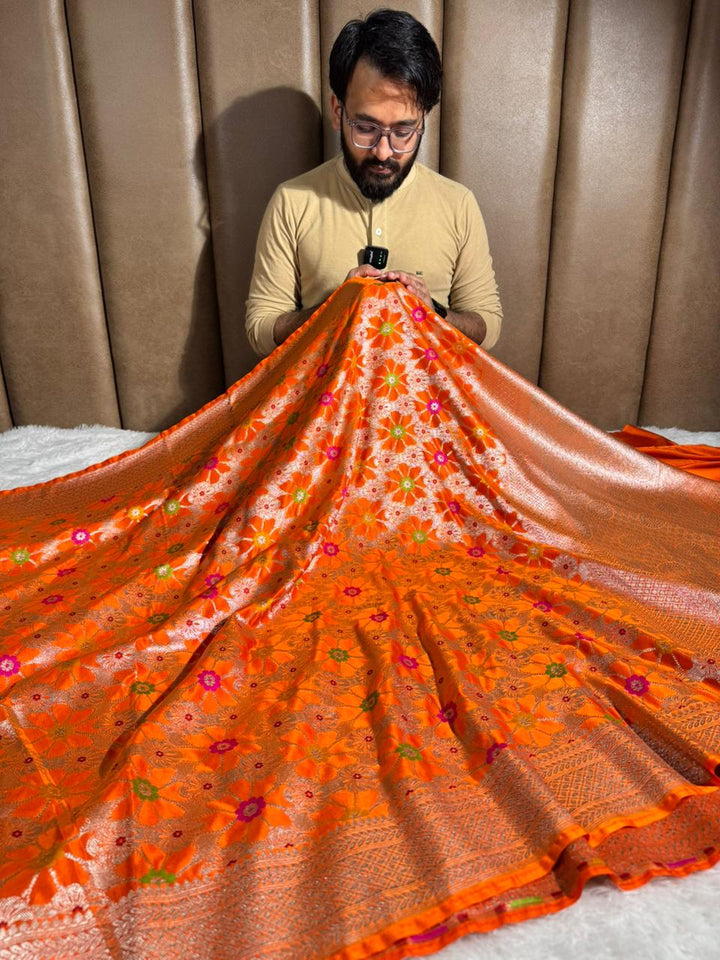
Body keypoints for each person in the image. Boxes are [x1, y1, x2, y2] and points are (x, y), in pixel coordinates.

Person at [245, 8, 503, 358]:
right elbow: (260, 329)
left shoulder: (458, 204)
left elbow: (488, 325)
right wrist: (334, 308)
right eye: (366, 128)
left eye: (403, 131)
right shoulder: (292, 201)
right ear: (338, 112)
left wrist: (435, 313)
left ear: (423, 121)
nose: (383, 152)